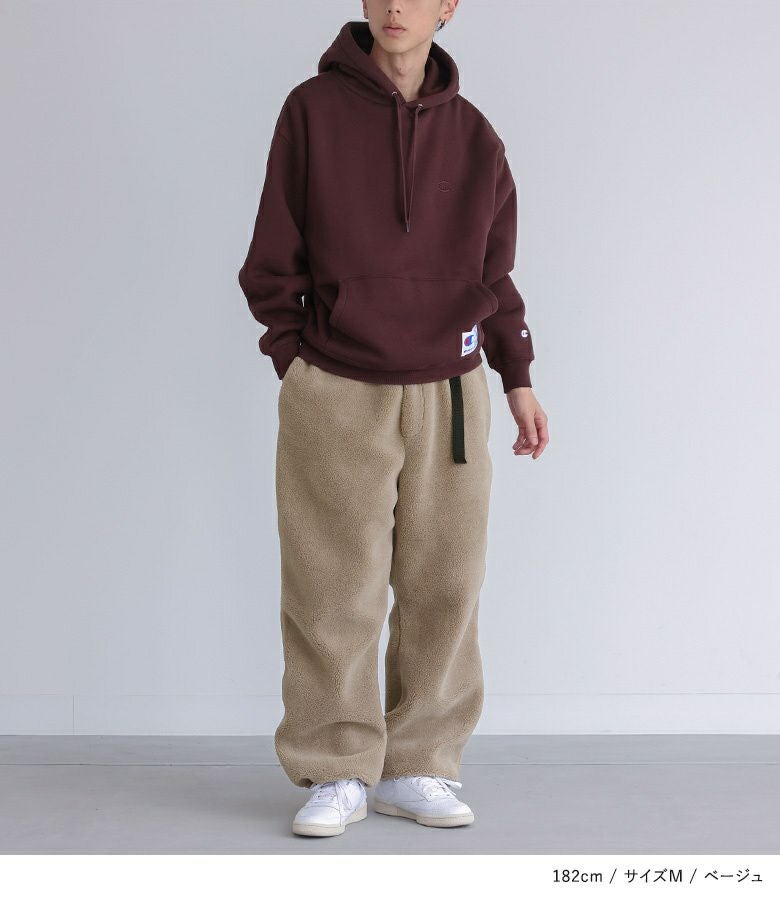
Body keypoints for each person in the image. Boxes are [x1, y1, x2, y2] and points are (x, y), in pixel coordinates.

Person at [238, 1, 549, 838]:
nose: (396, 5)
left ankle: (419, 764)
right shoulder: (311, 111)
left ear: (449, 7)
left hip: (450, 391)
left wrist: (517, 376)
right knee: (330, 588)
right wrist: (297, 360)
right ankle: (336, 765)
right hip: (337, 386)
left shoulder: (476, 137)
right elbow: (272, 253)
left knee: (446, 584)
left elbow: (495, 273)